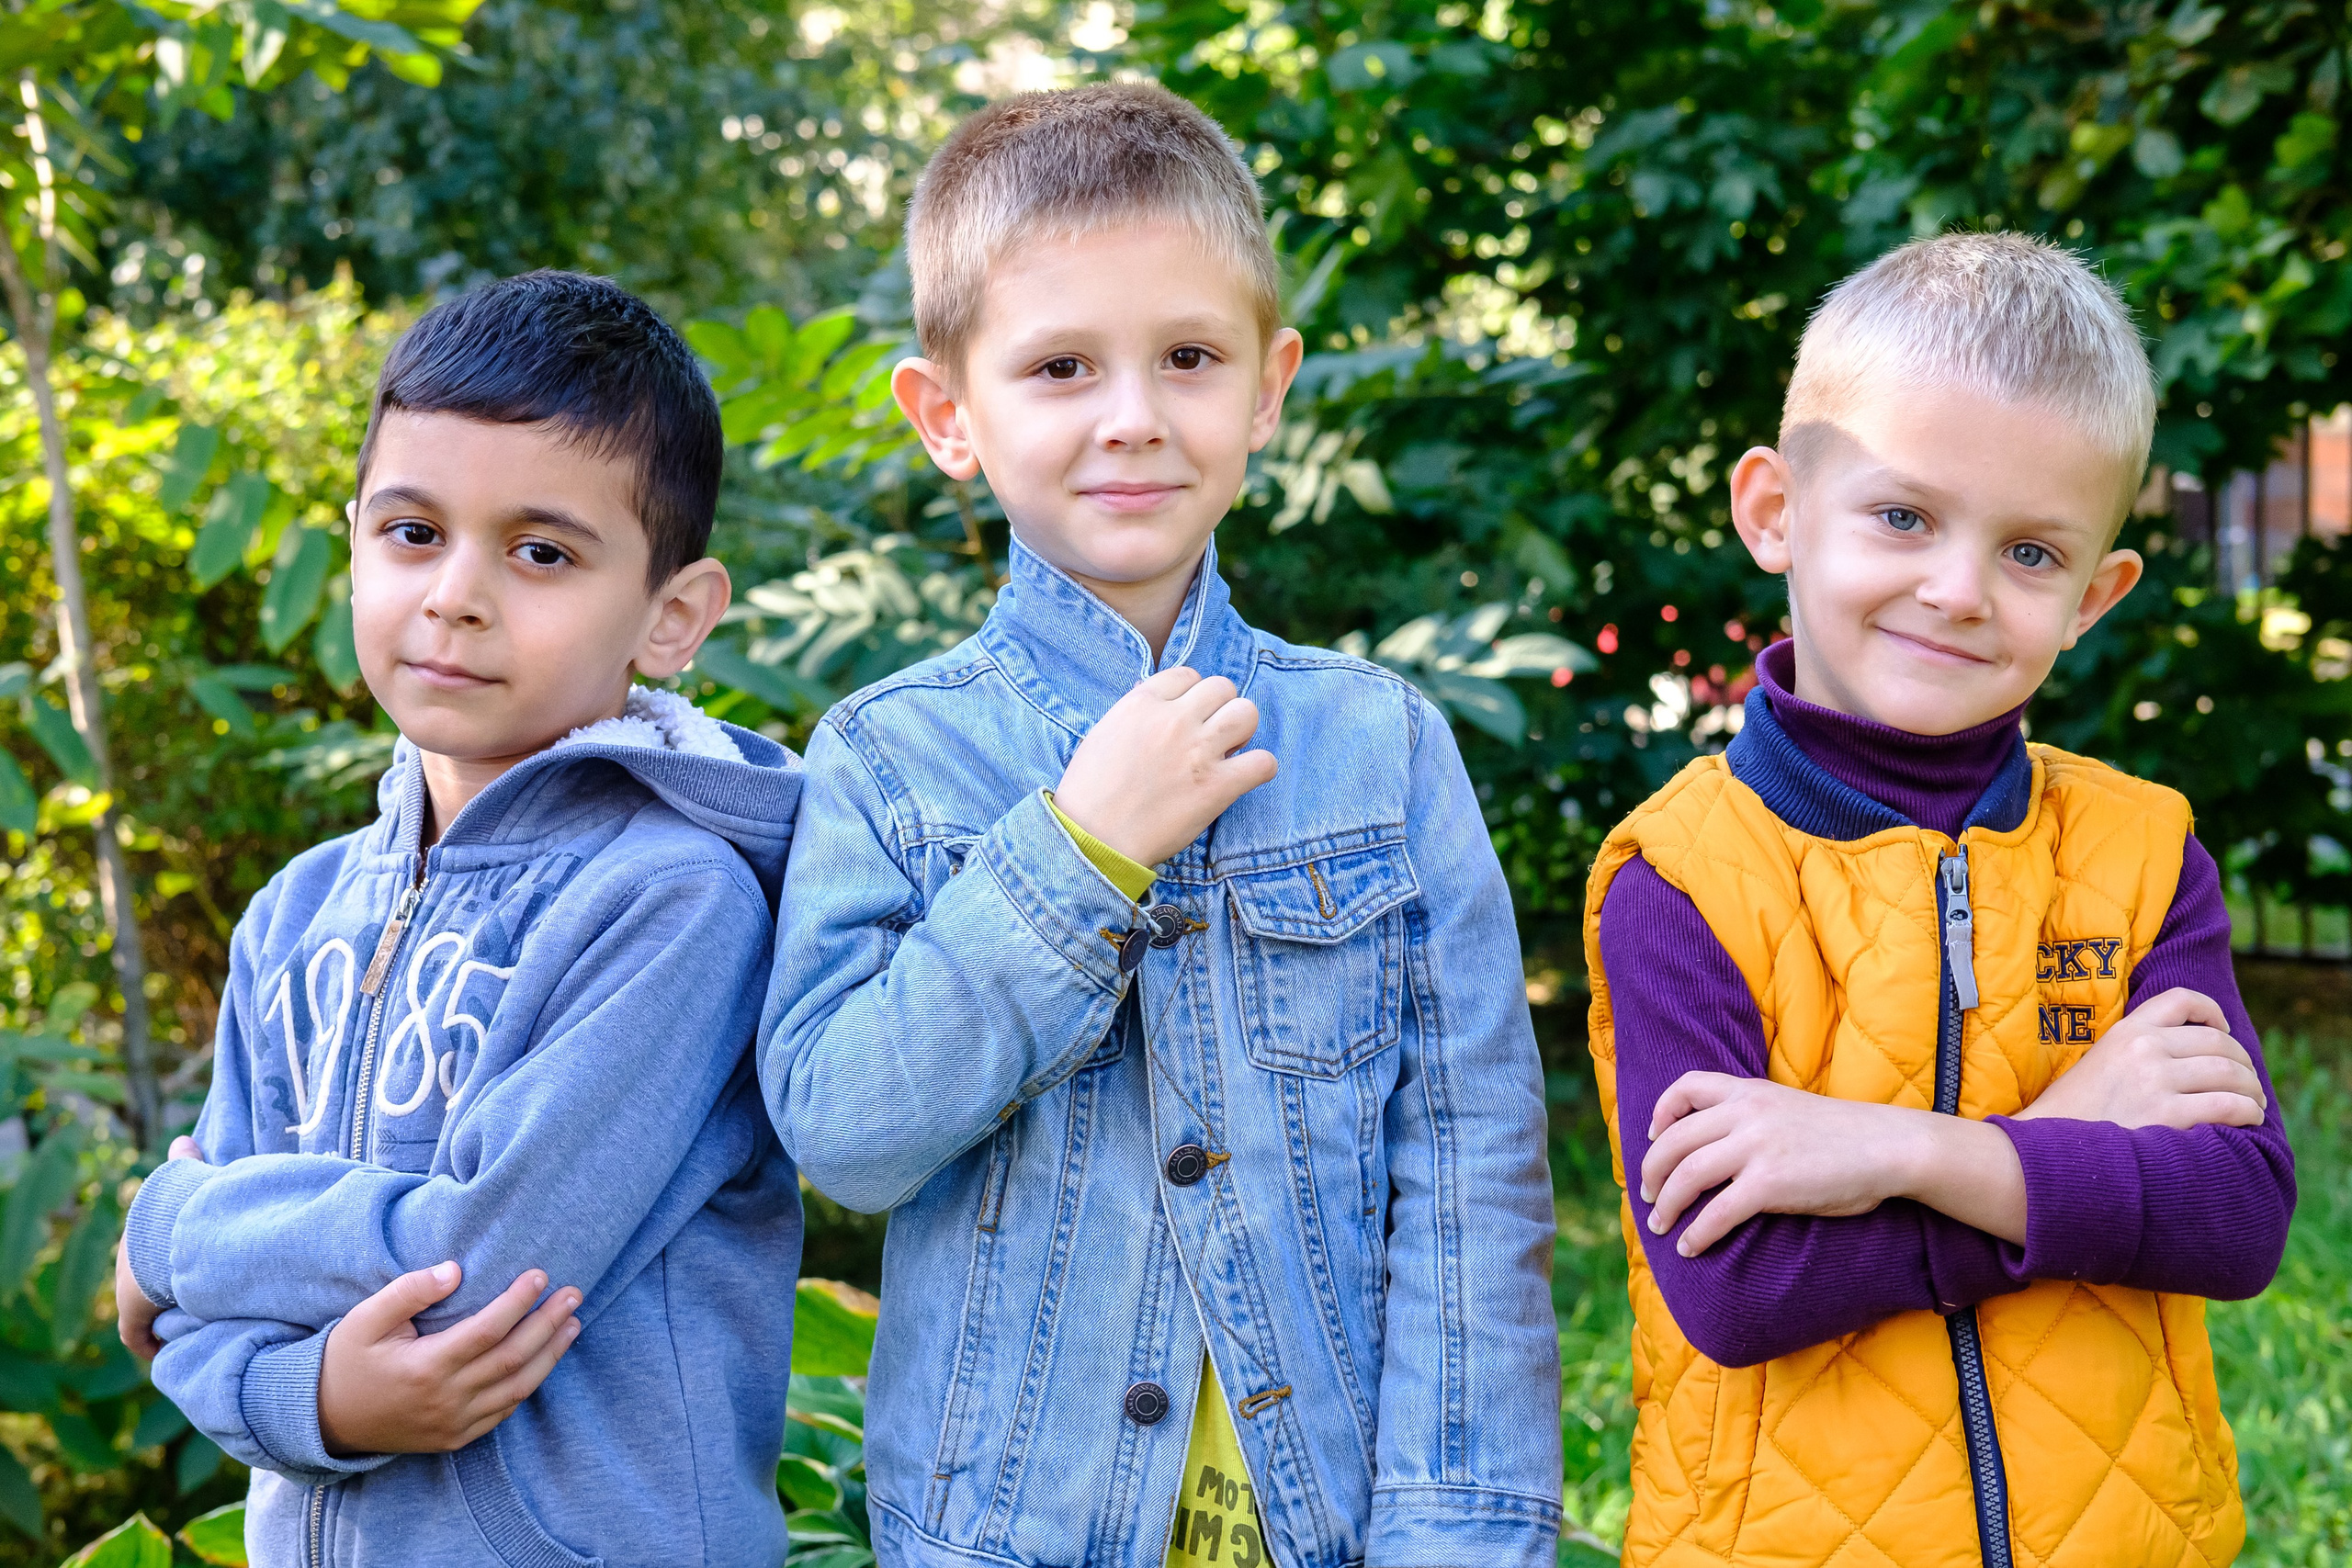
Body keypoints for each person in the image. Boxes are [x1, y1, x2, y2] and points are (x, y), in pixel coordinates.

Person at [761, 83, 1563, 1568]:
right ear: (948, 415)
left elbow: (1470, 1187)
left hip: (1331, 1530)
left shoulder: (1383, 750)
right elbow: (847, 1136)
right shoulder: (888, 757)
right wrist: (1076, 853)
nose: (1132, 417)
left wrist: (1457, 1542)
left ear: (1267, 388)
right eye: (1060, 365)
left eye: (1188, 358)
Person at [1586, 231, 2296, 1568]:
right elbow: (1739, 1287)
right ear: (1775, 510)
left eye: (2030, 552)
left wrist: (1894, 1153)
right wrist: (2075, 1137)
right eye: (1903, 517)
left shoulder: (2144, 853)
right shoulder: (1681, 876)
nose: (1958, 591)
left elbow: (2237, 1216)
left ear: (2094, 597)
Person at [111, 270, 804, 1568]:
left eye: (542, 553)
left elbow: (483, 1266)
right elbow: (183, 1334)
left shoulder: (673, 902)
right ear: (355, 541)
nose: (456, 594)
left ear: (672, 617)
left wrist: (170, 1229)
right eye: (414, 533)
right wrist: (312, 1401)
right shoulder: (295, 913)